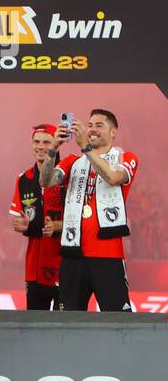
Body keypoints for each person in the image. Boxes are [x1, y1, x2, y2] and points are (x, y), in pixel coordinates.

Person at [41, 109, 140, 311]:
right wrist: (53, 148)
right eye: (90, 125)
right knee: (68, 322)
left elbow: (113, 178)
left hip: (108, 254)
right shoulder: (71, 161)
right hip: (73, 253)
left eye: (99, 125)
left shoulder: (126, 157)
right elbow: (46, 181)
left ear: (113, 132)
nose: (92, 129)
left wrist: (86, 147)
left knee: (116, 321)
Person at [10, 125, 65, 309]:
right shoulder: (23, 178)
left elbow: (81, 219)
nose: (40, 146)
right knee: (34, 326)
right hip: (34, 267)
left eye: (46, 142)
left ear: (55, 144)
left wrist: (58, 225)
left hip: (63, 263)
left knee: (63, 328)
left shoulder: (68, 174)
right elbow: (21, 217)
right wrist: (24, 224)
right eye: (36, 141)